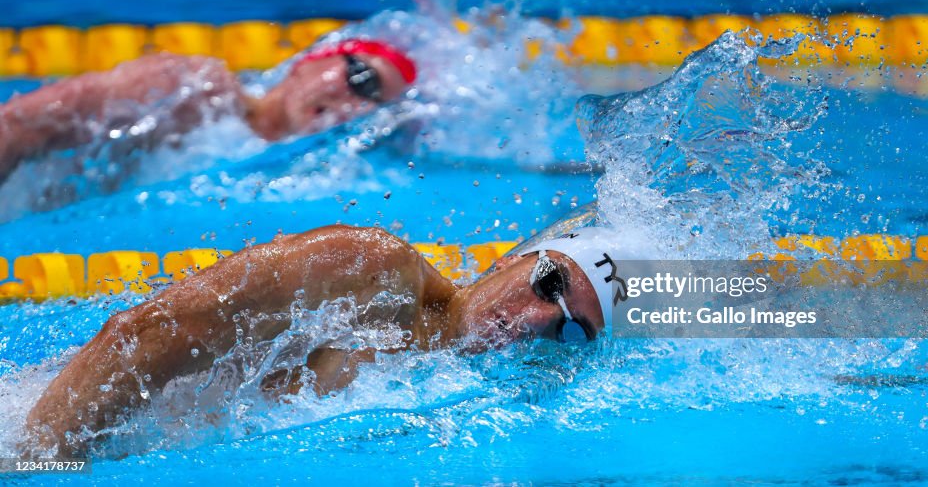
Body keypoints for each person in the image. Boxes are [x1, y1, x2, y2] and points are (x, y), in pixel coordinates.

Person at [24, 224, 638, 456]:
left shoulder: (449, 394)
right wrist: (40, 461)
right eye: (547, 283)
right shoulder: (370, 270)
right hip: (38, 426)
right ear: (519, 257)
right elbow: (140, 336)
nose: (535, 322)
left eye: (570, 330)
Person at [0, 39, 417, 180]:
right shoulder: (194, 89)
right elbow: (19, 124)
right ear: (310, 61)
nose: (355, 103)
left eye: (372, 104)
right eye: (362, 79)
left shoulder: (297, 173)